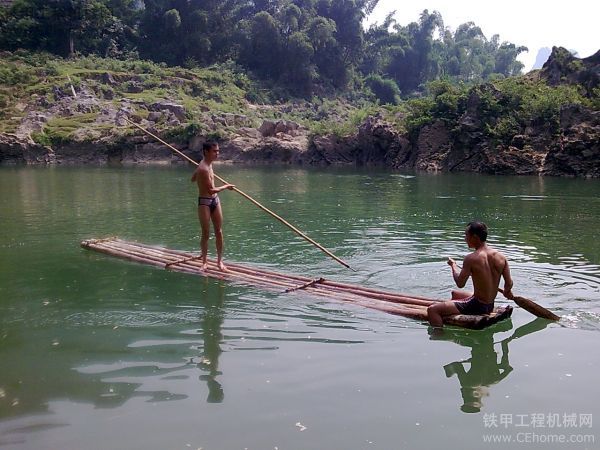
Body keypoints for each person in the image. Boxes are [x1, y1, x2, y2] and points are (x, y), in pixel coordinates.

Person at [427, 221, 514, 328]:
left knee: (432, 310)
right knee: (455, 294)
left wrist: (453, 265)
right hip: (489, 305)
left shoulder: (471, 258)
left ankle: (438, 334)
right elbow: (509, 283)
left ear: (475, 237)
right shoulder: (501, 257)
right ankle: (454, 307)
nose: (465, 239)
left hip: (476, 307)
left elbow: (460, 283)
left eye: (466, 235)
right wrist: (507, 292)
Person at [191, 141, 234, 271]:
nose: (217, 153)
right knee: (205, 233)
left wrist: (196, 176)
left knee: (219, 231)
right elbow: (211, 190)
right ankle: (204, 262)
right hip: (205, 202)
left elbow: (192, 179)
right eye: (214, 151)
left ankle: (219, 262)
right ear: (206, 152)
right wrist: (227, 186)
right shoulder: (203, 168)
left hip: (215, 201)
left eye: (218, 151)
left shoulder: (207, 165)